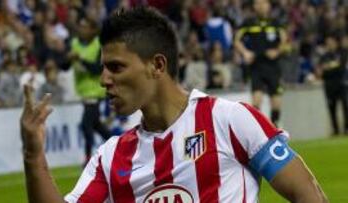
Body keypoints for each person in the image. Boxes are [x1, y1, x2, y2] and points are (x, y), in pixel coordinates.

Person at [20, 7, 328, 203]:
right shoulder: (110, 157)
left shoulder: (231, 120)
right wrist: (34, 156)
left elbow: (308, 196)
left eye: (116, 67)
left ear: (157, 65)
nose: (104, 80)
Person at [234, 0, 287, 126]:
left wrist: (277, 51)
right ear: (254, 6)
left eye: (263, 3)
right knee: (256, 101)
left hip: (273, 67)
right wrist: (245, 52)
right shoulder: (248, 23)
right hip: (256, 66)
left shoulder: (276, 23)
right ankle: (258, 132)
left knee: (276, 103)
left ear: (269, 5)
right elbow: (236, 40)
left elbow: (285, 40)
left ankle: (274, 129)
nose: (260, 6)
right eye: (257, 3)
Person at [68, 16, 111, 164]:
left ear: (93, 30)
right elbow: (63, 65)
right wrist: (68, 59)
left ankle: (88, 158)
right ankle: (120, 145)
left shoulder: (99, 45)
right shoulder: (74, 44)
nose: (82, 29)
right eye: (80, 26)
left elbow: (97, 69)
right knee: (96, 125)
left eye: (85, 26)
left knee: (86, 124)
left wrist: (79, 59)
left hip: (95, 92)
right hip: (84, 93)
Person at [318, 35, 348, 136]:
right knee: (332, 109)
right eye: (327, 42)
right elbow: (321, 71)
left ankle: (346, 129)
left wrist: (329, 67)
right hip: (329, 86)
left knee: (345, 106)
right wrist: (334, 65)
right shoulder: (324, 56)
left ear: (335, 42)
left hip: (341, 84)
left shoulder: (342, 53)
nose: (329, 44)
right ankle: (336, 130)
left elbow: (341, 67)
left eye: (331, 42)